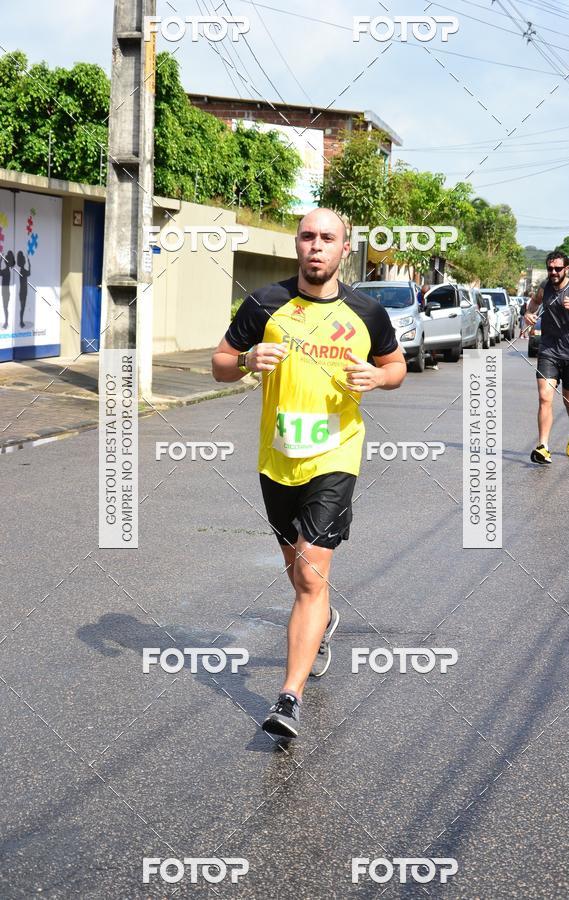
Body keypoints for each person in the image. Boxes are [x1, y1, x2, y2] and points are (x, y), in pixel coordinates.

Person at [212, 208, 406, 738]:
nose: (316, 246)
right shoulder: (264, 304)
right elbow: (220, 362)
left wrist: (379, 378)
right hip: (278, 459)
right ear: (296, 244)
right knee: (299, 574)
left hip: (336, 457)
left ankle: (288, 697)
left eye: (327, 238)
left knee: (311, 576)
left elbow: (396, 366)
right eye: (307, 237)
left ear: (345, 248)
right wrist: (247, 361)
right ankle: (321, 621)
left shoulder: (367, 313)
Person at [524, 251, 569, 464]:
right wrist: (528, 314)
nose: (553, 272)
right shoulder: (544, 287)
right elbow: (534, 303)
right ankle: (543, 447)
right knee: (545, 397)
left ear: (567, 269)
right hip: (548, 351)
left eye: (558, 269)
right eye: (550, 268)